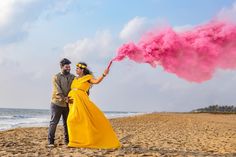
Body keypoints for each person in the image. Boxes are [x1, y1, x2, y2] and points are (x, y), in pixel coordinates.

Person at [67, 62, 121, 149]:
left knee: (80, 120)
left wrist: (104, 74)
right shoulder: (75, 79)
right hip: (73, 101)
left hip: (82, 101)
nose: (76, 70)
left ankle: (79, 142)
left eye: (77, 68)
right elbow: (73, 89)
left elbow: (96, 81)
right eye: (76, 68)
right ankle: (75, 141)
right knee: (72, 120)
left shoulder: (88, 78)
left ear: (82, 70)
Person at [48, 58, 75, 147]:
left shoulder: (72, 77)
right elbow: (58, 90)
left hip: (67, 104)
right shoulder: (56, 77)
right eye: (67, 67)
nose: (69, 69)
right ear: (62, 67)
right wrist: (64, 99)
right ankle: (50, 142)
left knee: (67, 123)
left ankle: (68, 141)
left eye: (69, 67)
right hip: (56, 103)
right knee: (54, 122)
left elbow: (77, 86)